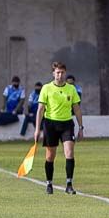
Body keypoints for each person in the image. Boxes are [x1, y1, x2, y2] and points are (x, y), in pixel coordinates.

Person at [34, 61, 85, 195]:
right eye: (57, 72)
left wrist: (81, 127)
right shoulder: (46, 88)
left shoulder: (71, 89)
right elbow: (40, 110)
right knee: (50, 156)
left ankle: (69, 184)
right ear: (53, 73)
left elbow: (77, 109)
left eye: (62, 72)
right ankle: (49, 184)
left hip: (67, 124)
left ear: (65, 73)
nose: (60, 75)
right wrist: (37, 129)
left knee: (69, 152)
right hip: (50, 124)